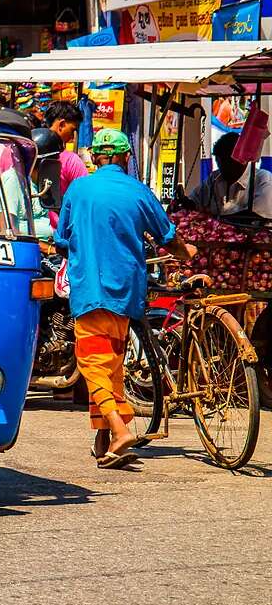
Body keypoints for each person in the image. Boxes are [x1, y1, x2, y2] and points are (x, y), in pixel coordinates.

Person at [54, 129, 196, 469]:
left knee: (93, 364)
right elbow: (168, 237)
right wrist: (187, 252)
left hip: (90, 289)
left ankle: (118, 431)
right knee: (111, 362)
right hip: (127, 290)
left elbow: (61, 240)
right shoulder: (138, 190)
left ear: (97, 158)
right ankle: (106, 441)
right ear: (125, 157)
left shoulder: (78, 188)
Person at [185, 131, 272, 219]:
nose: (222, 168)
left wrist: (216, 220)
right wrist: (185, 203)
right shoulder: (215, 178)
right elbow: (195, 200)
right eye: (218, 163)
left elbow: (257, 216)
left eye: (226, 163)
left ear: (241, 160)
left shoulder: (263, 180)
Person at [43, 101, 90, 192]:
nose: (72, 137)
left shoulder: (30, 152)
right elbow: (84, 192)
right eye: (72, 130)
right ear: (62, 125)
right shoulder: (71, 160)